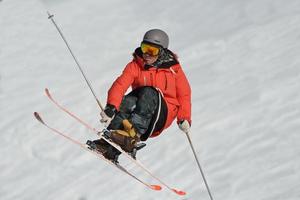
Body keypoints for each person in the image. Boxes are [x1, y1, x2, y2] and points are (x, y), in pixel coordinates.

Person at [87, 29, 191, 162]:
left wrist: (184, 118)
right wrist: (111, 107)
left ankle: (131, 138)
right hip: (142, 110)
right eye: (144, 48)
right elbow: (120, 85)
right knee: (128, 101)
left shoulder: (173, 70)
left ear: (162, 52)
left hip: (163, 114)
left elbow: (184, 94)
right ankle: (108, 145)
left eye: (152, 50)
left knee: (149, 91)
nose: (146, 54)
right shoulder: (135, 66)